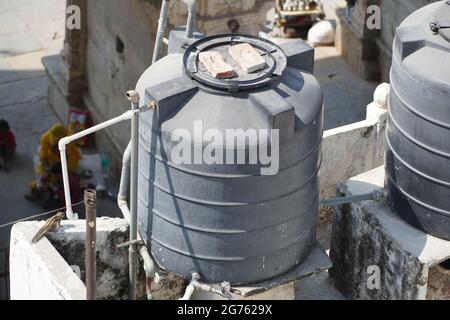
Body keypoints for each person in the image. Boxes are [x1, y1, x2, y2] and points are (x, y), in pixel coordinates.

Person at [26, 123, 81, 202]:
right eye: (54, 143)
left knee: (61, 178)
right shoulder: (45, 138)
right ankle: (39, 188)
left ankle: (49, 187)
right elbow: (43, 156)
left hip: (66, 160)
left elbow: (66, 158)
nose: (54, 145)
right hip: (52, 160)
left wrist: (59, 170)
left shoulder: (68, 141)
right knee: (45, 176)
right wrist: (48, 169)